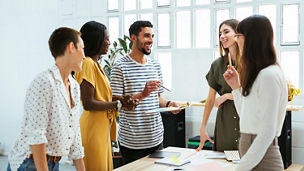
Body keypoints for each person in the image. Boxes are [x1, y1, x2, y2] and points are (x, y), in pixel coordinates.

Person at [7, 27, 86, 171]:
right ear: (71, 47)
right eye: (82, 49)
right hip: (30, 164)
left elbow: (75, 134)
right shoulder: (43, 82)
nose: (84, 56)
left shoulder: (74, 86)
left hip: (54, 164)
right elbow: (36, 135)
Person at [110, 20, 180, 164]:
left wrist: (169, 104)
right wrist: (142, 94)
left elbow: (158, 98)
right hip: (132, 142)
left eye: (153, 36)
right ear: (133, 38)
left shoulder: (155, 65)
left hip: (156, 138)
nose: (151, 40)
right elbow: (115, 104)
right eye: (147, 36)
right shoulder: (119, 66)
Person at [223, 15, 287, 170]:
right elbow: (246, 118)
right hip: (254, 158)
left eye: (238, 36)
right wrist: (236, 88)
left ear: (251, 39)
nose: (237, 41)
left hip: (262, 161)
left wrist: (240, 168)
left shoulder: (269, 75)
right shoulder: (261, 74)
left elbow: (267, 132)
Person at [74, 21, 137, 171]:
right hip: (93, 129)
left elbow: (101, 96)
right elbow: (89, 103)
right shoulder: (88, 63)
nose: (109, 42)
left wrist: (119, 98)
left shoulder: (95, 64)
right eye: (106, 39)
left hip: (101, 127)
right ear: (96, 40)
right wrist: (120, 105)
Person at [196, 19, 240, 152]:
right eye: (220, 33)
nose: (222, 36)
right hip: (224, 122)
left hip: (245, 118)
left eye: (226, 32)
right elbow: (210, 99)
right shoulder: (217, 65)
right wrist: (203, 127)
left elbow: (251, 92)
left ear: (238, 34)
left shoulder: (251, 62)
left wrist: (226, 96)